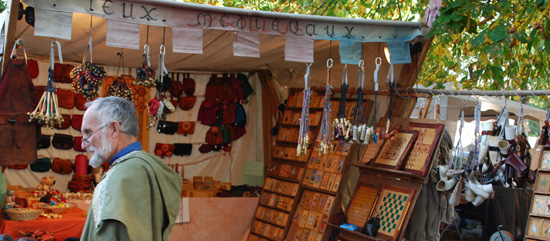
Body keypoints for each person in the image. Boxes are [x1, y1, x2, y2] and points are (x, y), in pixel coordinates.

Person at [79, 96, 182, 241]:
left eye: (88, 133)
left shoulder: (121, 177)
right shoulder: (148, 166)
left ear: (114, 129)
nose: (84, 143)